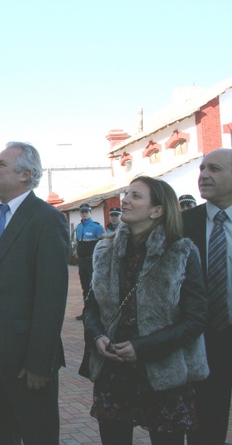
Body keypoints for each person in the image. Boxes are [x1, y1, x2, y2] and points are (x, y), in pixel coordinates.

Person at [0, 142, 70, 445]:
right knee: (1, 435)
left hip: (25, 361)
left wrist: (39, 362)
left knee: (38, 435)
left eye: (1, 164)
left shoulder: (47, 220)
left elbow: (51, 297)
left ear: (26, 174)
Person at [83, 176, 207, 445]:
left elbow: (195, 319)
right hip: (113, 370)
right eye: (126, 194)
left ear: (157, 210)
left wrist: (142, 347)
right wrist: (97, 337)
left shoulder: (181, 252)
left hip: (164, 372)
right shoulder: (105, 250)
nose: (124, 200)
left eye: (136, 196)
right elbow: (91, 307)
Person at [184, 148, 232, 445]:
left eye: (214, 169)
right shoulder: (182, 224)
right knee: (205, 426)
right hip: (203, 339)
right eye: (202, 169)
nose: (204, 175)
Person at [74, 203, 106, 319]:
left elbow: (104, 242)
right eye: (82, 212)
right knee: (85, 287)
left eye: (86, 212)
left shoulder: (96, 227)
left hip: (92, 261)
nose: (84, 214)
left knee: (94, 287)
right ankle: (87, 312)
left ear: (90, 212)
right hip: (82, 261)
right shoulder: (78, 227)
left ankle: (97, 313)